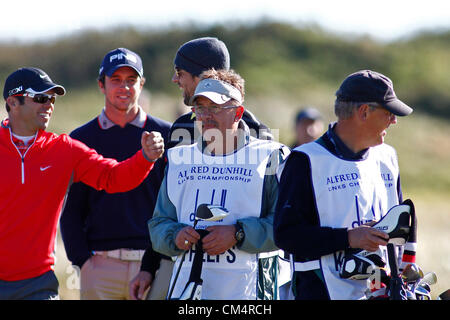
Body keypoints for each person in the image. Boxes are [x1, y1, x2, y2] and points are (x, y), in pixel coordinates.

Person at [130, 36, 276, 299]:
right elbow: (167, 210)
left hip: (245, 286)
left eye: (180, 72)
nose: (175, 80)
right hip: (184, 271)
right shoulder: (181, 131)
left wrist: (238, 233)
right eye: (201, 109)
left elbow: (280, 220)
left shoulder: (262, 140)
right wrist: (151, 264)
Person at [0, 67, 164, 300]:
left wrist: (145, 157)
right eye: (40, 98)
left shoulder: (64, 150)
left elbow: (114, 178)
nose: (49, 104)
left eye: (52, 98)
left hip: (37, 284)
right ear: (12, 103)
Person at [274, 70, 413, 300]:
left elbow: (400, 222)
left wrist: (404, 267)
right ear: (364, 112)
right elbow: (286, 236)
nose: (394, 120)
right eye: (388, 112)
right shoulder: (304, 160)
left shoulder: (388, 157)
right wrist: (348, 238)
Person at [59, 48, 171, 300]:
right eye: (116, 80)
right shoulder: (80, 138)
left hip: (153, 265)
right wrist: (82, 263)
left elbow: (172, 205)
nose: (124, 87)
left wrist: (160, 261)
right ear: (101, 84)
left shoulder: (166, 134)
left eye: (131, 80)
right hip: (99, 266)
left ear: (141, 84)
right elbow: (71, 209)